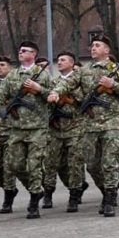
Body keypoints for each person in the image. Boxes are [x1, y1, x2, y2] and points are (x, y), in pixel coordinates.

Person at [48, 34, 119, 217]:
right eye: (92, 45)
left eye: (97, 45)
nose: (93, 48)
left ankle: (110, 198)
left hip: (112, 123)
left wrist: (113, 84)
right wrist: (56, 92)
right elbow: (68, 82)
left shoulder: (115, 69)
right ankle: (105, 190)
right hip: (90, 124)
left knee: (110, 162)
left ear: (106, 50)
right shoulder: (84, 71)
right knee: (92, 165)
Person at [0, 41, 52, 219]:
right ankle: (36, 189)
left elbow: (53, 95)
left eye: (24, 50)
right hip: (16, 128)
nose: (20, 52)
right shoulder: (13, 75)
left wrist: (39, 89)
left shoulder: (43, 74)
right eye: (19, 50)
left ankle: (34, 202)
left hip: (37, 128)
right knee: (14, 165)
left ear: (33, 54)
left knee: (34, 166)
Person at [44, 51, 88, 212]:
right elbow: (45, 101)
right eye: (58, 60)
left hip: (76, 128)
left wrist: (70, 95)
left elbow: (85, 100)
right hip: (56, 129)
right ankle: (49, 191)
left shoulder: (80, 82)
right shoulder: (53, 82)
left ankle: (74, 196)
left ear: (72, 63)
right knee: (52, 163)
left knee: (74, 164)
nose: (59, 62)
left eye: (63, 60)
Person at [0, 56, 19, 214]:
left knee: (9, 167)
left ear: (10, 67)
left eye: (2, 65)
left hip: (11, 130)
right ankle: (8, 188)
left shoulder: (15, 83)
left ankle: (8, 198)